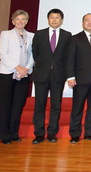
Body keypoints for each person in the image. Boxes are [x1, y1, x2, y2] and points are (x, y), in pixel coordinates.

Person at [30, 8, 72, 144]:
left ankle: (52, 133)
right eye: (52, 17)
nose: (54, 20)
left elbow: (68, 56)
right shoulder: (39, 34)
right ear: (48, 19)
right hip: (41, 75)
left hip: (58, 76)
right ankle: (39, 134)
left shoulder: (67, 35)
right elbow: (35, 53)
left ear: (62, 20)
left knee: (56, 106)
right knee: (39, 105)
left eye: (57, 17)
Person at [0, 9, 34, 144]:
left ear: (27, 21)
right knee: (6, 104)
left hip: (24, 74)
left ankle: (14, 133)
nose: (20, 21)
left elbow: (32, 55)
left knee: (18, 105)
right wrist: (17, 67)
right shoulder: (5, 34)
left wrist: (27, 68)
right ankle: (4, 135)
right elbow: (3, 54)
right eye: (18, 19)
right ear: (13, 21)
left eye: (23, 19)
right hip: (7, 72)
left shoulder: (31, 36)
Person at [66, 13, 91, 143]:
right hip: (80, 79)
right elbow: (70, 59)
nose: (90, 22)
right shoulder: (75, 38)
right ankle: (75, 134)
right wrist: (70, 76)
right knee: (77, 107)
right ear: (82, 23)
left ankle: (90, 133)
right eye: (87, 20)